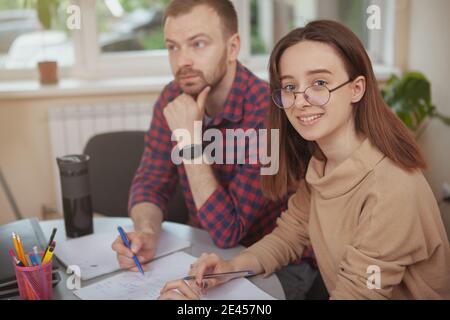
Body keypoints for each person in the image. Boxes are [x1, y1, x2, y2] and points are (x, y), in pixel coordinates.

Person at [158, 20, 450, 300]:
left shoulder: (392, 190)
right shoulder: (324, 164)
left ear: (356, 88)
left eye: (319, 82)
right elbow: (288, 237)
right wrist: (229, 268)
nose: (300, 100)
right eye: (289, 87)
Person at [111, 0, 291, 273]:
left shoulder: (267, 112)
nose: (183, 61)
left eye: (198, 44)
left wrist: (189, 142)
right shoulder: (172, 97)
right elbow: (150, 184)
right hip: (204, 254)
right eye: (173, 47)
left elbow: (229, 233)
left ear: (232, 48)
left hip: (271, 264)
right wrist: (146, 232)